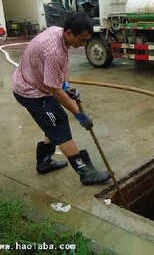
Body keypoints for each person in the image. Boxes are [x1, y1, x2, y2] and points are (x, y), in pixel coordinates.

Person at [12, 12, 111, 185]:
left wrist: (66, 85)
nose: (83, 45)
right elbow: (54, 89)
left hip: (39, 85)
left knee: (55, 121)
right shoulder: (52, 51)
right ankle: (85, 172)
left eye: (87, 40)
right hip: (31, 92)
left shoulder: (58, 33)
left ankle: (44, 163)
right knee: (59, 126)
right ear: (69, 32)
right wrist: (79, 114)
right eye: (81, 40)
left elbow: (63, 64)